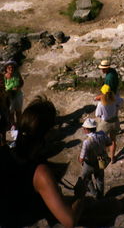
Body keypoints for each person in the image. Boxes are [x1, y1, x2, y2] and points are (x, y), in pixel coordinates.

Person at [0, 96, 86, 227]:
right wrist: (80, 195)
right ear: (47, 134)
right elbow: (69, 221)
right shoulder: (40, 173)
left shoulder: (7, 145)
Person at [79, 118, 111, 199]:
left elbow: (81, 159)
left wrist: (79, 159)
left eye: (84, 128)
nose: (83, 129)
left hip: (89, 165)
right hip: (100, 162)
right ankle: (100, 196)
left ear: (87, 129)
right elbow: (109, 143)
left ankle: (94, 194)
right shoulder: (102, 134)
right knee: (100, 180)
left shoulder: (86, 142)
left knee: (86, 179)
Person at [95, 85, 123, 164]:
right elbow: (122, 101)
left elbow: (97, 114)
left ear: (103, 94)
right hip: (114, 121)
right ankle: (112, 158)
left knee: (100, 141)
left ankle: (102, 159)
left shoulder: (101, 104)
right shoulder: (115, 99)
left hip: (105, 123)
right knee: (113, 140)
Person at [4, 60, 24, 128]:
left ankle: (19, 124)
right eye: (9, 68)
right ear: (6, 69)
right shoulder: (4, 77)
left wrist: (18, 88)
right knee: (11, 112)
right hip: (9, 97)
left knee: (18, 111)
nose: (11, 69)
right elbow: (2, 87)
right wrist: (7, 91)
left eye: (12, 67)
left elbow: (21, 82)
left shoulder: (17, 74)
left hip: (18, 94)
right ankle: (13, 125)